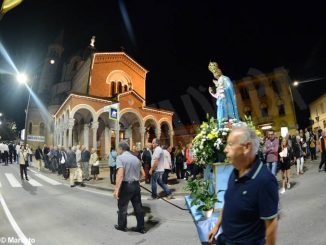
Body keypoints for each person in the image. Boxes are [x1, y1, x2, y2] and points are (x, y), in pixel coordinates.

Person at [208, 125, 278, 245]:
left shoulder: (264, 181)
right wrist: (217, 226)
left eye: (230, 144)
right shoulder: (235, 171)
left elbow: (271, 225)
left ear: (246, 147)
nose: (225, 149)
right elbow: (229, 201)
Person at [113, 141, 145, 234]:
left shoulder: (120, 158)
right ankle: (141, 227)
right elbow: (143, 174)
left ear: (121, 149)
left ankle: (122, 226)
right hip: (136, 185)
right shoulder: (136, 158)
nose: (117, 151)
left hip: (126, 186)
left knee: (122, 206)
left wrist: (116, 190)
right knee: (138, 206)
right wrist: (136, 179)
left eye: (118, 149)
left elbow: (120, 175)